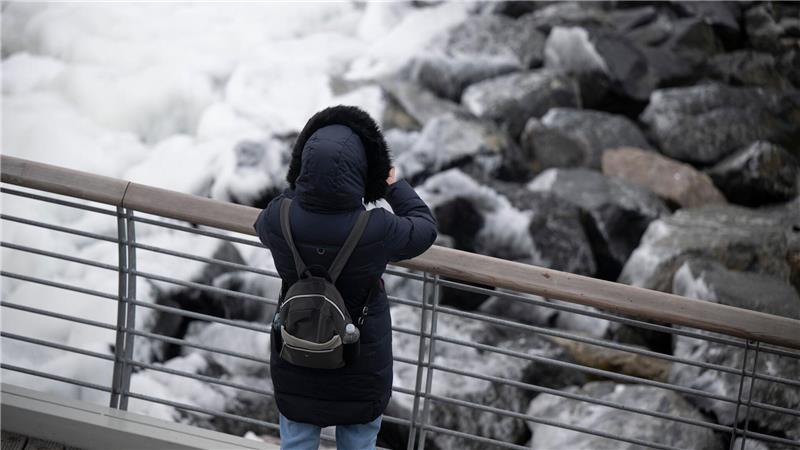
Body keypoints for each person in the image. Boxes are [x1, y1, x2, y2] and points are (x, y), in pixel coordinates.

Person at [252, 105, 438, 450]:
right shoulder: (377, 228)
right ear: (363, 170)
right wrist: (392, 184)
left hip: (297, 353)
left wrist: (300, 185)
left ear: (302, 165)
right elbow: (425, 229)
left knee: (295, 440)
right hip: (360, 360)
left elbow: (268, 218)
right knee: (358, 442)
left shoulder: (279, 217)